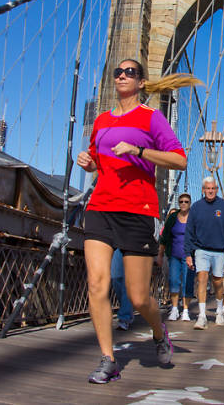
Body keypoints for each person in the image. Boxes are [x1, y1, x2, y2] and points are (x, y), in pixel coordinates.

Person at [76, 59, 199, 383]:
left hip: (138, 210)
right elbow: (97, 162)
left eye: (130, 72)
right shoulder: (101, 120)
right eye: (118, 71)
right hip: (100, 206)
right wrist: (87, 162)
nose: (121, 76)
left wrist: (140, 151)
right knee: (97, 284)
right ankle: (108, 359)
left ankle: (159, 333)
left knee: (139, 296)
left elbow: (179, 160)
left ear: (142, 82)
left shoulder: (151, 118)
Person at [184, 176, 224, 329]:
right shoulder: (195, 207)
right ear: (203, 190)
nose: (210, 191)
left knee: (218, 282)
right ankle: (202, 316)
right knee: (201, 279)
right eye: (207, 188)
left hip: (220, 251)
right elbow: (189, 231)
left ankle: (219, 311)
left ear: (216, 189)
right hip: (201, 250)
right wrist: (188, 253)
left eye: (213, 188)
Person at [158, 193, 196, 322]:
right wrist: (160, 254)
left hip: (189, 256)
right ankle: (174, 309)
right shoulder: (173, 217)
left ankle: (185, 310)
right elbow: (165, 236)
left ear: (190, 203)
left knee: (187, 282)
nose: (183, 204)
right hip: (174, 255)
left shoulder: (194, 218)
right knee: (173, 281)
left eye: (186, 201)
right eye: (181, 202)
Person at [111, 249, 133, 330]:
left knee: (127, 283)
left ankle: (125, 317)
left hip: (133, 246)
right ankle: (127, 310)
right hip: (118, 245)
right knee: (115, 277)